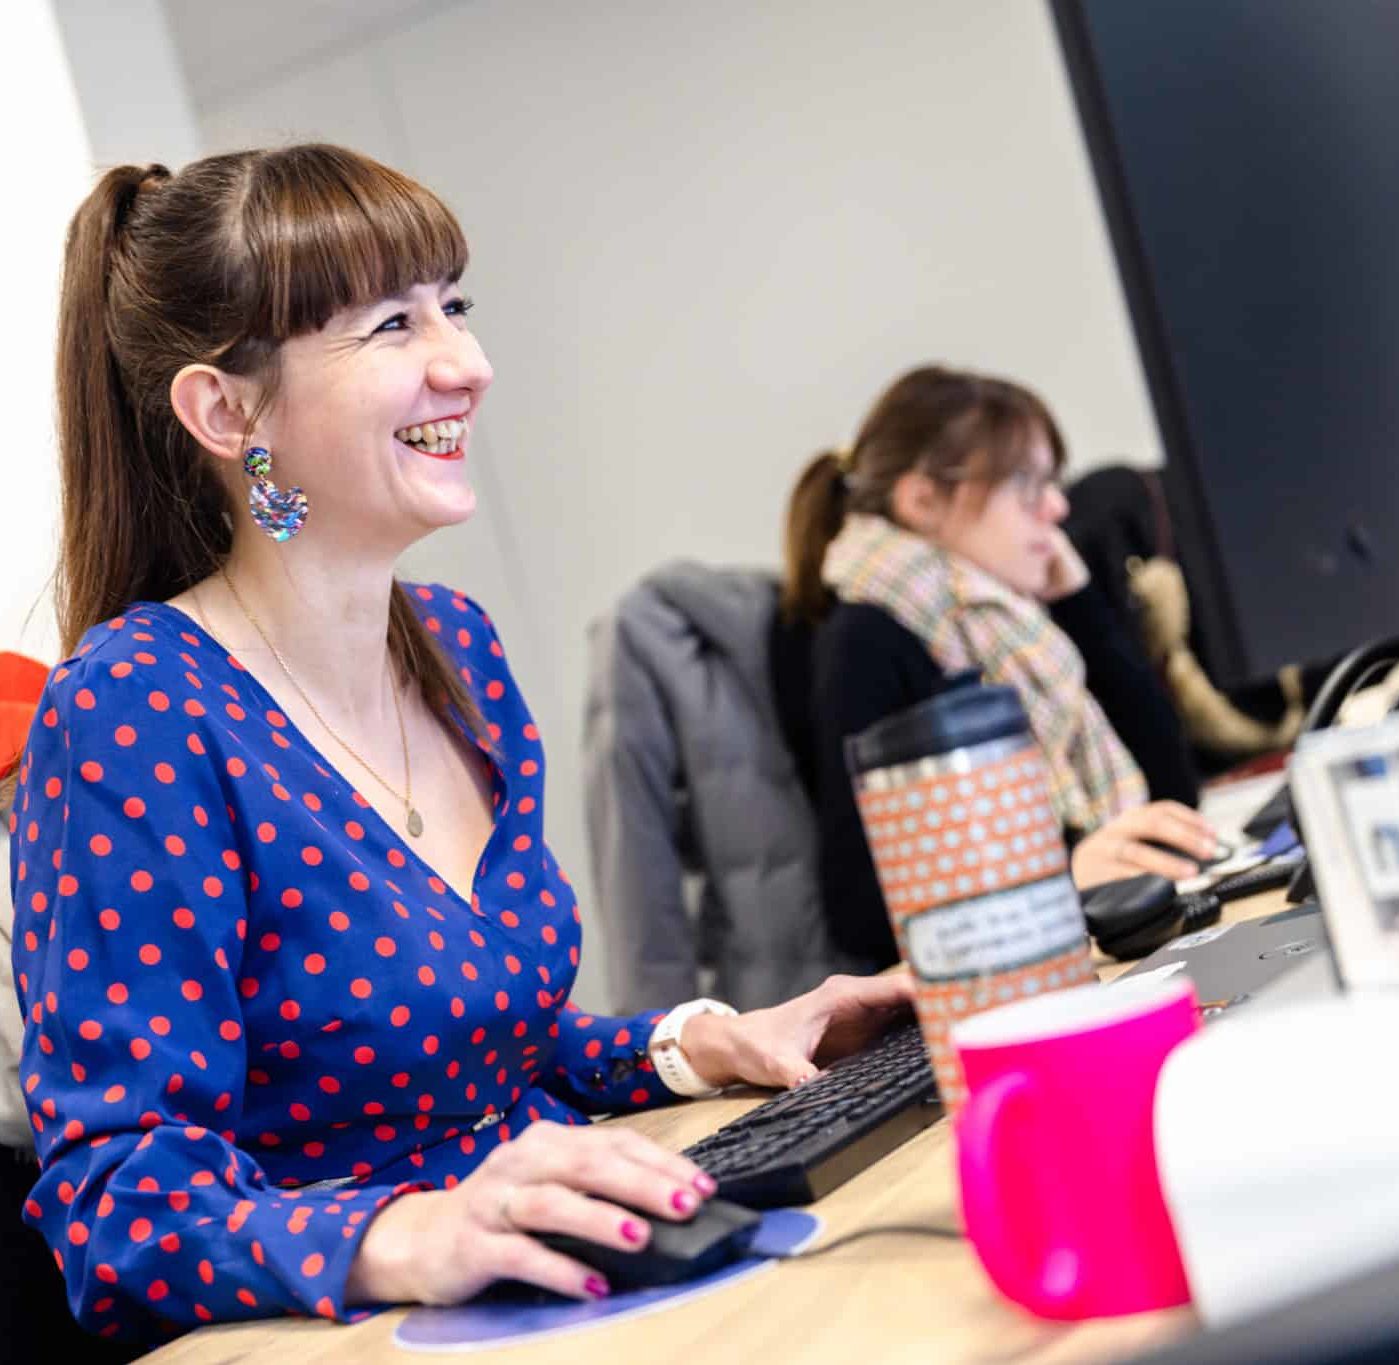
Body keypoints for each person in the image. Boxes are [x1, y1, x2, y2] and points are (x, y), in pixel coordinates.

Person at [5, 144, 913, 1348]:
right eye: (391, 325)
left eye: (455, 306)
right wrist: (403, 1237)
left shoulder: (453, 650)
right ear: (225, 412)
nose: (468, 365)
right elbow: (115, 1198)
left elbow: (489, 1044)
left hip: (544, 1288)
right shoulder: (134, 713)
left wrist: (700, 1045)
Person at [772, 366, 1222, 968]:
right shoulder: (868, 639)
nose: (1058, 506)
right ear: (923, 500)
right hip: (990, 987)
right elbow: (867, 916)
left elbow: (1171, 790)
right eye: (1027, 486)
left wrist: (1079, 603)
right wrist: (1063, 875)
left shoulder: (1011, 625)